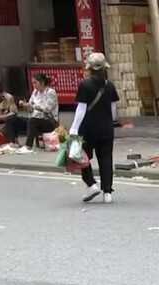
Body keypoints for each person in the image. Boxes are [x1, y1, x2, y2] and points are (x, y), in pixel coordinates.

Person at [68, 53, 120, 204]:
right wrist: (110, 123)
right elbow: (113, 108)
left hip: (88, 128)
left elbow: (81, 109)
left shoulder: (85, 85)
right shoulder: (109, 86)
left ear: (90, 69)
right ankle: (107, 192)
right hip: (106, 128)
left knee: (82, 157)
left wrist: (74, 128)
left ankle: (91, 184)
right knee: (106, 159)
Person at [6, 73, 59, 148]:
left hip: (48, 120)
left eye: (35, 83)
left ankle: (28, 145)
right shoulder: (35, 92)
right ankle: (12, 143)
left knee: (32, 121)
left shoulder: (51, 92)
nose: (33, 85)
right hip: (34, 117)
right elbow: (30, 104)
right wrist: (24, 104)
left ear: (42, 82)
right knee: (12, 119)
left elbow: (47, 109)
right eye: (33, 83)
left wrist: (33, 106)